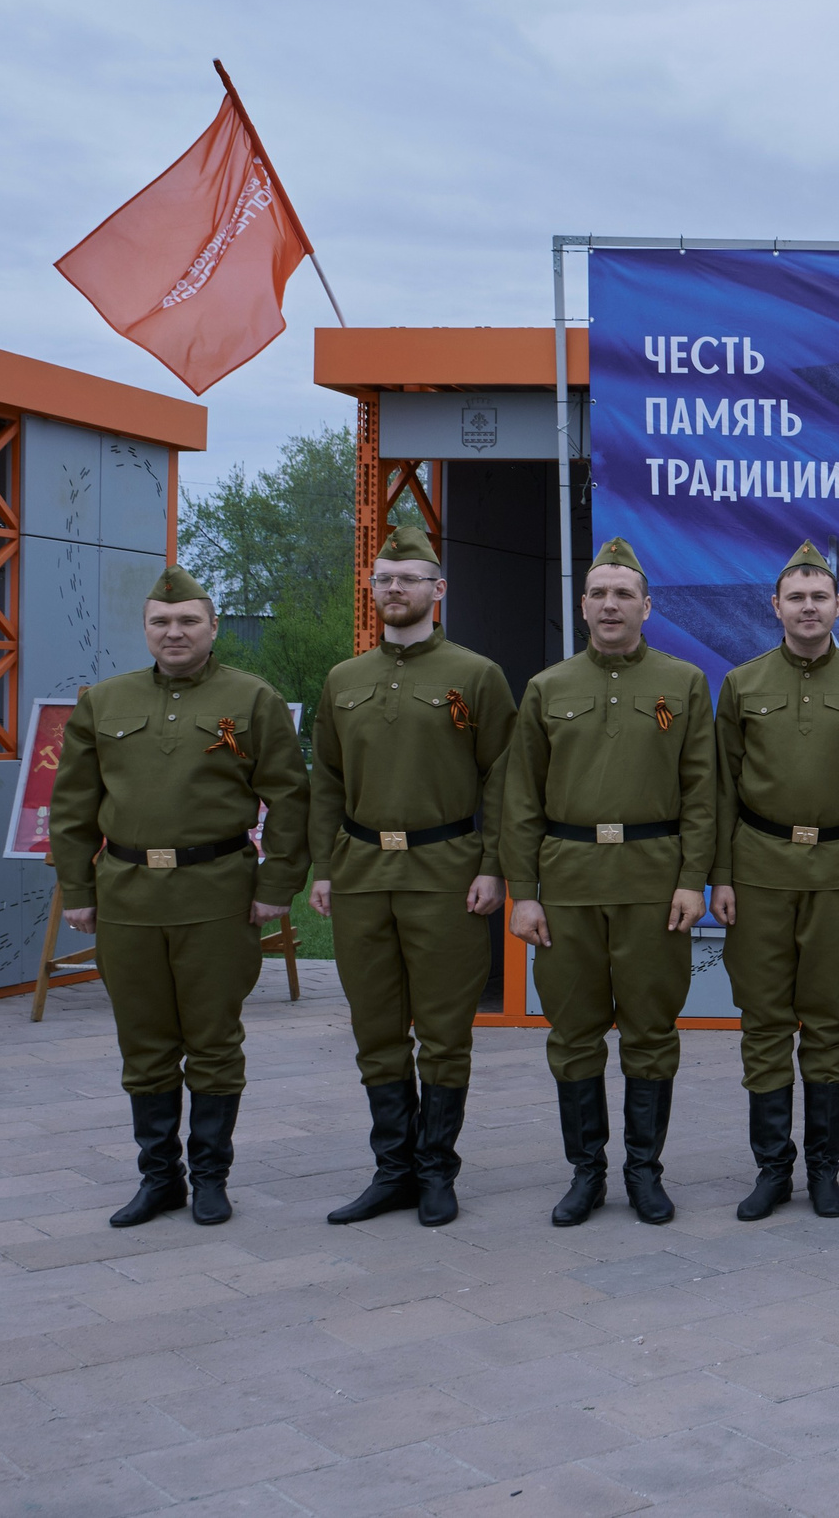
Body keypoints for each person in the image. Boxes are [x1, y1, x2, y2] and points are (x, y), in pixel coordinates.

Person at [51, 565, 310, 1227]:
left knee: (215, 1038)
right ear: (145, 629)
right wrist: (78, 888)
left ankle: (211, 1177)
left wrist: (276, 885)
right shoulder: (102, 703)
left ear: (214, 626)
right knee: (143, 1041)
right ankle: (158, 1178)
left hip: (217, 892)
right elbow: (74, 805)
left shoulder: (253, 699)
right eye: (161, 621)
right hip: (127, 895)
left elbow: (289, 796)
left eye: (189, 620)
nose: (175, 631)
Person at [502, 538, 715, 1227]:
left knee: (652, 1031)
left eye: (624, 592)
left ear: (647, 606)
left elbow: (702, 790)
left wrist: (693, 881)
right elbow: (521, 799)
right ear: (583, 605)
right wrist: (524, 891)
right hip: (568, 885)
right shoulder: (548, 688)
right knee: (574, 1032)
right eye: (599, 592)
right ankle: (586, 1173)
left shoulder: (683, 684)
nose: (611, 602)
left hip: (655, 883)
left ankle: (644, 1173)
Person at [309, 526, 517, 1228]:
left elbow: (503, 779)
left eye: (409, 577)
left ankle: (436, 1170)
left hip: (447, 870)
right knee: (375, 1026)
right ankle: (391, 1168)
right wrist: (326, 868)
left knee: (444, 1028)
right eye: (384, 578)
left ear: (439, 589)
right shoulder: (344, 680)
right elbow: (327, 782)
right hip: (363, 868)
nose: (394, 589)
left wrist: (494, 865)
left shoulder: (477, 675)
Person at [709, 542, 839, 1221]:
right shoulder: (742, 685)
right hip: (759, 869)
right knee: (763, 1020)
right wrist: (721, 876)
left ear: (838, 606)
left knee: (825, 1022)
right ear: (776, 607)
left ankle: (825, 1168)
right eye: (797, 597)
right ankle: (771, 1170)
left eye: (820, 596)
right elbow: (722, 789)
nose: (809, 607)